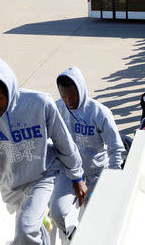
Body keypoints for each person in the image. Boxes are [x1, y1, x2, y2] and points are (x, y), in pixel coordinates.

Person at [0, 53, 86, 245]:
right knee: (31, 228)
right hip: (10, 183)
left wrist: (77, 176)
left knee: (25, 229)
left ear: (10, 89)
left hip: (42, 174)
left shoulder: (39, 103)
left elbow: (63, 141)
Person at [50, 67, 126, 239]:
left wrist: (112, 180)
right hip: (68, 172)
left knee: (99, 220)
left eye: (72, 96)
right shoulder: (57, 109)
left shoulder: (100, 113)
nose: (68, 101)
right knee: (57, 212)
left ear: (81, 90)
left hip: (96, 173)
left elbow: (116, 149)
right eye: (64, 96)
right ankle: (76, 238)